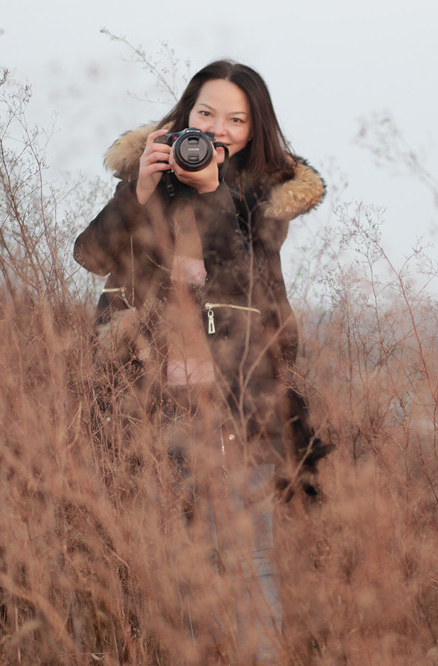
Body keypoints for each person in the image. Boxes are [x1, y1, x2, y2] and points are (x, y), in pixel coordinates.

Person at [73, 59, 333, 663]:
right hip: (148, 399)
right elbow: (90, 256)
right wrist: (138, 190)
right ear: (186, 115)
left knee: (250, 554)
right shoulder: (149, 173)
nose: (218, 129)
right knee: (176, 558)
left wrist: (212, 190)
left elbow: (250, 286)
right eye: (207, 114)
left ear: (254, 129)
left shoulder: (263, 199)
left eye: (237, 119)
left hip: (239, 400)